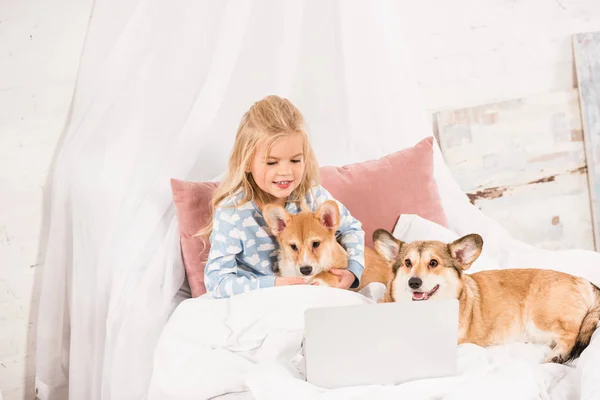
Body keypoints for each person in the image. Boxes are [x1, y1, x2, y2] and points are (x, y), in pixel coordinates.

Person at [197, 95, 365, 299]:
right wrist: (273, 285)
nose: (285, 172)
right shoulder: (233, 213)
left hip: (310, 296)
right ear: (247, 162)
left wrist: (354, 270)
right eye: (271, 162)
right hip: (256, 301)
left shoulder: (312, 196)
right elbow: (217, 282)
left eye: (295, 160)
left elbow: (352, 228)